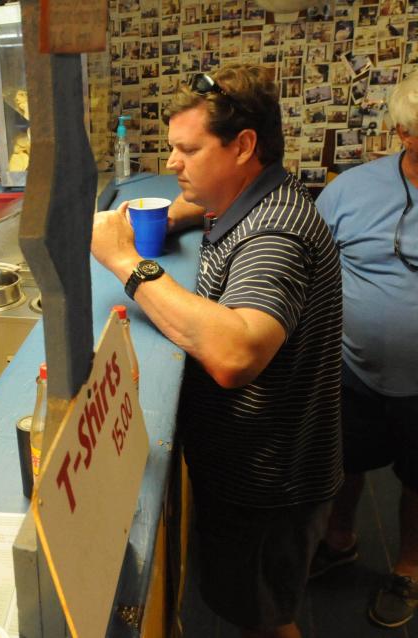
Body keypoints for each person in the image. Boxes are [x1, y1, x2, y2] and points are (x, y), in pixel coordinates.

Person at [90, 66, 343, 638]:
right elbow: (209, 212)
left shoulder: (274, 233)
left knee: (266, 622)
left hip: (269, 482)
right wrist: (171, 211)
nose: (173, 163)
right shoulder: (254, 200)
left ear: (243, 146)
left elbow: (235, 355)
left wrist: (125, 261)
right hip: (256, 471)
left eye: (188, 150)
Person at [312, 71, 418, 629]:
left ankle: (408, 567)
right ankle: (339, 539)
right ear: (404, 131)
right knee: (346, 466)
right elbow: (308, 264)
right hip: (353, 371)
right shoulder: (350, 191)